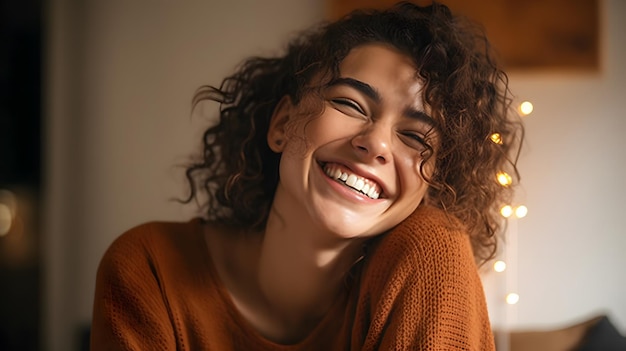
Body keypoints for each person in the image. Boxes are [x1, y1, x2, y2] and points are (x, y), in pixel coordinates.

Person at [90, 1, 523, 350]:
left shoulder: (432, 255)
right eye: (351, 105)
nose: (376, 144)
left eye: (414, 136)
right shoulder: (150, 268)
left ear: (432, 183)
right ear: (282, 124)